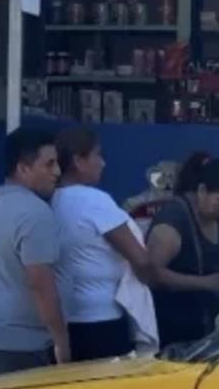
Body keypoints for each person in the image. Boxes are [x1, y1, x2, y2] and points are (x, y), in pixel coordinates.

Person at [0, 127, 70, 377]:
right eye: (49, 164)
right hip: (24, 344)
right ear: (23, 169)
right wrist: (61, 342)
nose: (57, 172)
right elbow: (40, 282)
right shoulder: (34, 213)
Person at [52, 128, 158, 362]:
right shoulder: (94, 201)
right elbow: (141, 259)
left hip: (65, 318)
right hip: (103, 320)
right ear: (78, 161)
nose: (103, 163)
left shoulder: (50, 199)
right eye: (97, 155)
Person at [145, 152, 219, 349]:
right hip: (171, 332)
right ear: (202, 190)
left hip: (207, 329)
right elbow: (151, 275)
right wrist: (206, 283)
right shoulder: (172, 223)